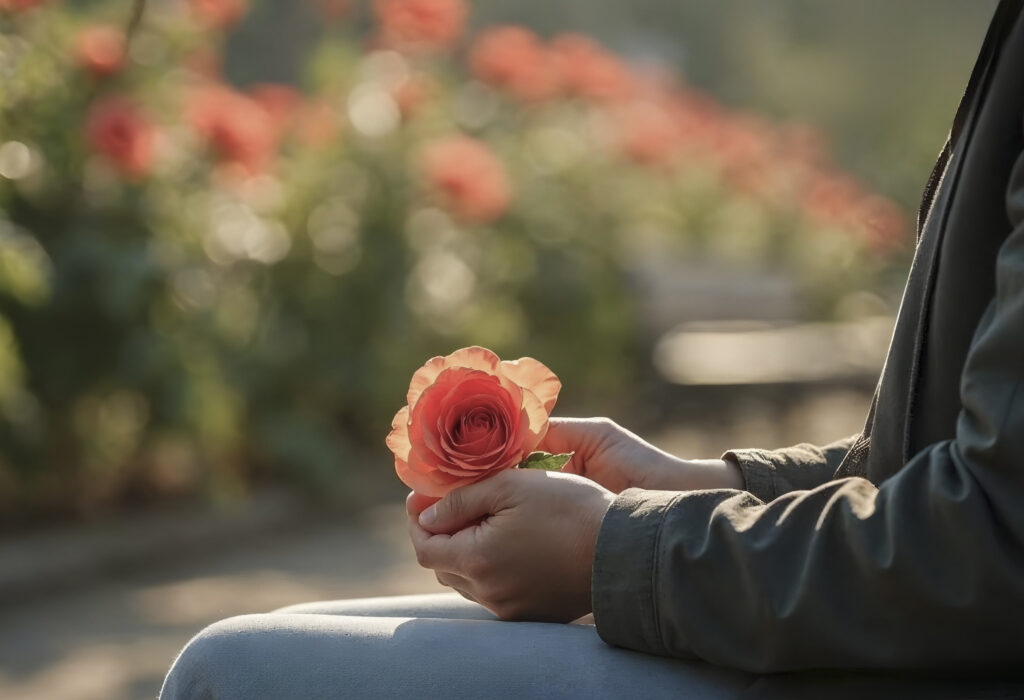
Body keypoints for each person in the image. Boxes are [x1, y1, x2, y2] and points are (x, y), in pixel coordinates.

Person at [161, 0, 1024, 696]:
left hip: (900, 660)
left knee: (229, 671)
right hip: (874, 627)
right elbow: (948, 463)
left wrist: (617, 553)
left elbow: (995, 543)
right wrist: (703, 484)